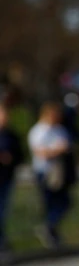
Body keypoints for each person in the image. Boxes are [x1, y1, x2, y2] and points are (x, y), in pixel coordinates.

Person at [27, 102, 73, 249]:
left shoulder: (59, 129)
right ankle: (50, 230)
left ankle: (51, 227)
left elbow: (67, 145)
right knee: (49, 202)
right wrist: (57, 150)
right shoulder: (38, 131)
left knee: (64, 202)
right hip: (45, 171)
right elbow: (40, 152)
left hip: (60, 171)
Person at [0, 105, 23, 252]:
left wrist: (11, 159)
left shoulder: (11, 135)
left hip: (6, 178)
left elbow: (20, 155)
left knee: (2, 211)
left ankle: (2, 241)